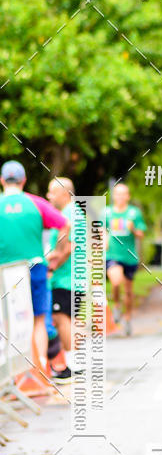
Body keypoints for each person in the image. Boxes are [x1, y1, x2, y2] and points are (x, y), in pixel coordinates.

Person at [0, 160, 70, 371]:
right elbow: (64, 225)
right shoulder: (36, 203)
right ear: (24, 181)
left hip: (5, 272)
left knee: (6, 319)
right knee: (39, 319)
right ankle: (39, 368)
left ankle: (10, 373)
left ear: (2, 180)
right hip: (35, 266)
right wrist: (56, 254)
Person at [104, 183, 146, 336]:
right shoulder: (107, 212)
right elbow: (99, 230)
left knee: (128, 291)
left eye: (123, 194)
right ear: (113, 196)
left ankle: (127, 318)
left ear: (128, 196)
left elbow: (142, 233)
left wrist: (133, 228)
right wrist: (103, 239)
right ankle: (116, 306)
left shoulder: (134, 213)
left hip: (129, 256)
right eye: (117, 194)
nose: (120, 197)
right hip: (112, 255)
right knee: (116, 281)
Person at [46, 177, 77, 379]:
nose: (49, 196)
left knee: (61, 317)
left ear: (65, 193)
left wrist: (52, 264)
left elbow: (68, 246)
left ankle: (72, 364)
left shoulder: (68, 215)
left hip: (65, 278)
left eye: (52, 192)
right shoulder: (76, 212)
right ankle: (73, 362)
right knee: (67, 319)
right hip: (73, 277)